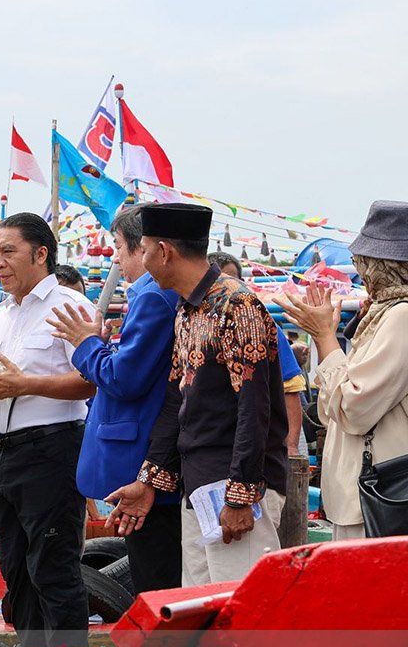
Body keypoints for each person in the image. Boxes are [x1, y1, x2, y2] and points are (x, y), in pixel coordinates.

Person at [105, 203, 288, 587]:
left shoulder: (237, 305)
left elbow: (255, 408)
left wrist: (241, 495)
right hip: (200, 487)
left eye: (145, 248)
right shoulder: (188, 309)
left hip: (236, 489)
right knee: (201, 612)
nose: (140, 258)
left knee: (241, 613)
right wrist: (150, 478)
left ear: (164, 251)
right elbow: (177, 401)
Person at [0, 212, 95, 647]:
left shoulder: (72, 308)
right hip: (1, 453)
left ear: (40, 253)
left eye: (7, 252)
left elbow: (91, 381)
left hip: (52, 449)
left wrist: (24, 384)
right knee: (16, 570)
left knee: (53, 568)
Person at [48, 205, 183, 593]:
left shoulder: (153, 297)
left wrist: (85, 345)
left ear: (146, 250)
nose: (117, 260)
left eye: (120, 249)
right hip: (152, 455)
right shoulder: (156, 296)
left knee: (155, 578)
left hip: (142, 460)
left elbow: (125, 378)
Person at [279, 200, 408, 540]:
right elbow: (328, 409)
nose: (360, 270)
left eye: (363, 262)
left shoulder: (401, 316)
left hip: (380, 495)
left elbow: (353, 409)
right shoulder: (383, 313)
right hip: (364, 496)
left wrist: (324, 337)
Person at [209, 251, 307, 456]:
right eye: (221, 281)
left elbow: (290, 390)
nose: (230, 289)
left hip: (265, 444)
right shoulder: (195, 323)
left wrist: (291, 447)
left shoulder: (264, 325)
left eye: (234, 281)